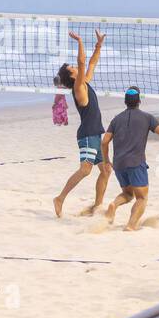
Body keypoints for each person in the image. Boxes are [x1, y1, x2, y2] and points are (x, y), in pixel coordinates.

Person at [101, 87, 159, 231]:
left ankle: (114, 205)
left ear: (125, 102)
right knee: (141, 198)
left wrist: (106, 160)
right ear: (139, 101)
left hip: (119, 164)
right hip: (136, 162)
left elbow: (104, 141)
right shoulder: (147, 117)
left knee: (128, 194)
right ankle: (131, 225)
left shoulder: (116, 119)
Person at [52, 30, 114, 218]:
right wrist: (79, 41)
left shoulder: (85, 82)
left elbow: (92, 62)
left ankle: (96, 206)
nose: (76, 66)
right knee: (86, 170)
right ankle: (60, 198)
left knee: (106, 170)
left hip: (95, 133)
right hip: (87, 134)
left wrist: (99, 45)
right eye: (72, 67)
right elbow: (82, 61)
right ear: (72, 75)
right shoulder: (79, 87)